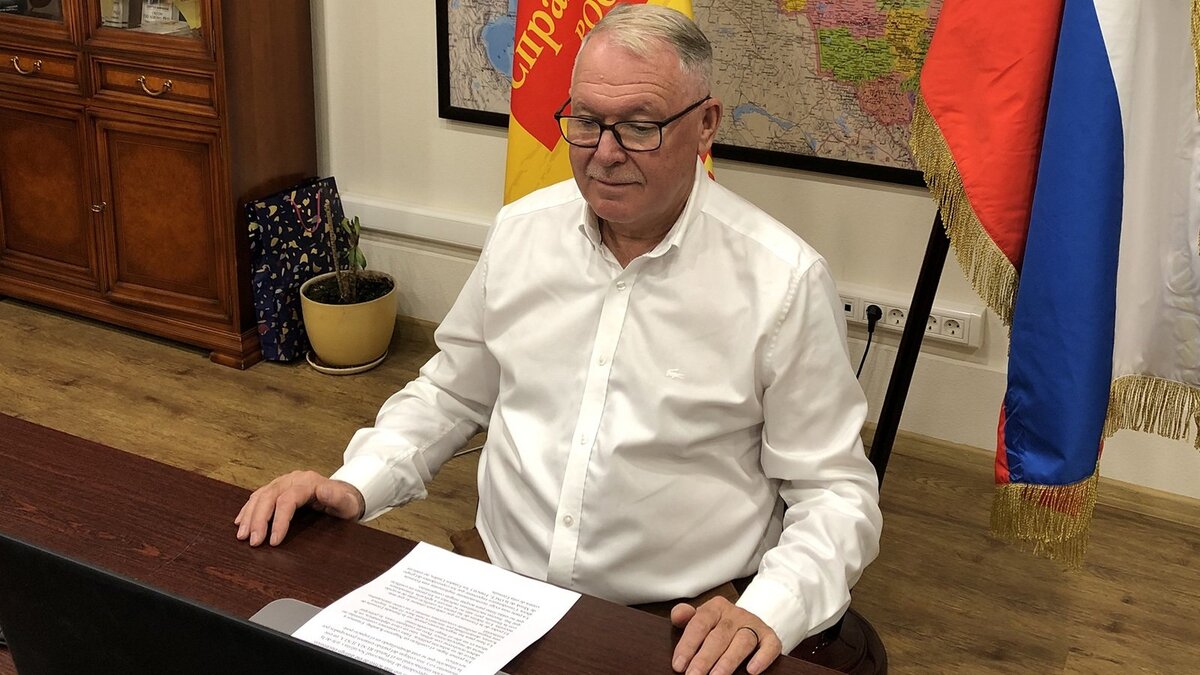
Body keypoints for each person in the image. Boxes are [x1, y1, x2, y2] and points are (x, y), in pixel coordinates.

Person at [235, 5, 882, 674]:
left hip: (676, 624)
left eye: (639, 126)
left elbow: (834, 492)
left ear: (706, 124)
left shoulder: (781, 280)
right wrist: (356, 483)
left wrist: (770, 607)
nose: (605, 153)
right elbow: (453, 393)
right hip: (497, 588)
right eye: (586, 121)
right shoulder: (522, 231)